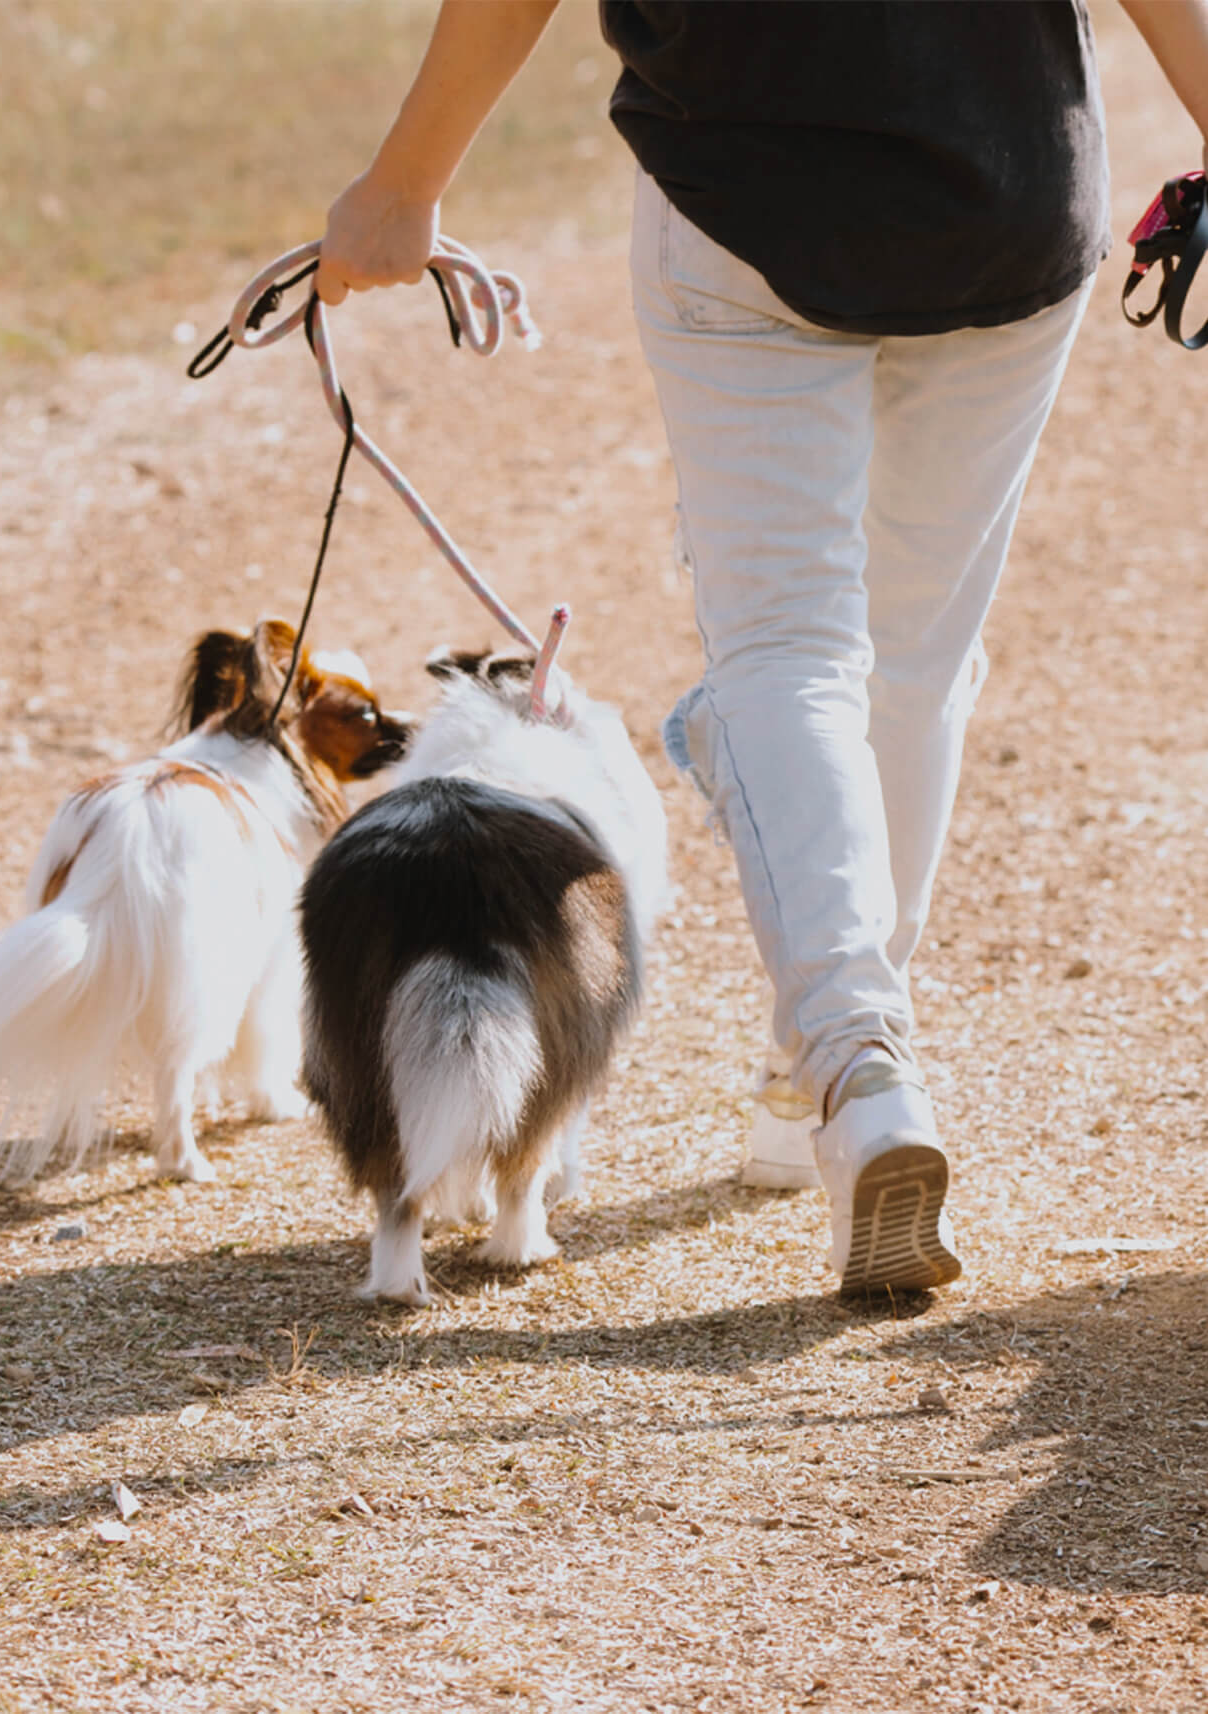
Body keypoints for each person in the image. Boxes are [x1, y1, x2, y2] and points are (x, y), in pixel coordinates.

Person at [315, 0, 1208, 1295]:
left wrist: (403, 186)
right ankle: (831, 1073)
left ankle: (853, 1063)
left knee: (789, 654)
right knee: (912, 657)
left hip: (742, 192)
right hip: (1005, 188)